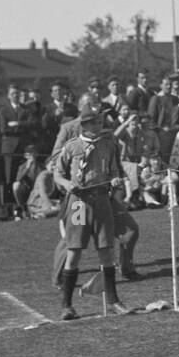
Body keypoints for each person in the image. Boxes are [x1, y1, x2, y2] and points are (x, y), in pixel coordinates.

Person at [52, 103, 132, 319]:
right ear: (84, 124)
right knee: (74, 251)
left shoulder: (108, 145)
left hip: (102, 202)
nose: (100, 124)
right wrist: (67, 184)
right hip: (78, 203)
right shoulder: (71, 147)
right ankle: (66, 306)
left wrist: (115, 180)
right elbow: (57, 174)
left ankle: (114, 301)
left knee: (107, 251)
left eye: (100, 120)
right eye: (95, 121)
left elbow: (115, 170)